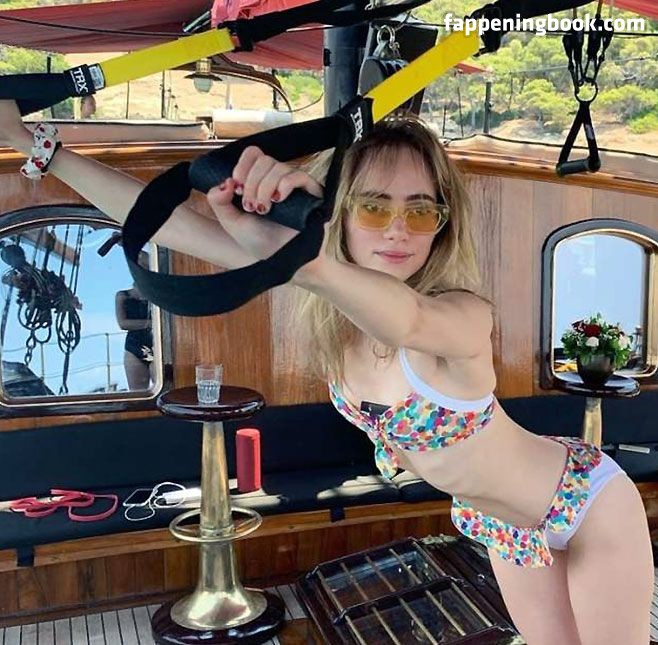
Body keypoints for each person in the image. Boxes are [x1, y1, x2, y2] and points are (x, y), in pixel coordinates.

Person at [0, 99, 652, 644]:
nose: (397, 230)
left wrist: (302, 252)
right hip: (505, 521)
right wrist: (36, 146)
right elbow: (165, 222)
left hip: (584, 503)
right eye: (373, 206)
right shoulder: (331, 302)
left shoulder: (458, 316)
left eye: (420, 210)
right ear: (340, 212)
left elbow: (404, 320)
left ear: (442, 224)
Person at [115, 283, 153, 390]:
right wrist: (150, 323)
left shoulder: (156, 295)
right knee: (138, 392)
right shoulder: (123, 296)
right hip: (134, 346)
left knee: (164, 388)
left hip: (157, 345)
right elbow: (123, 324)